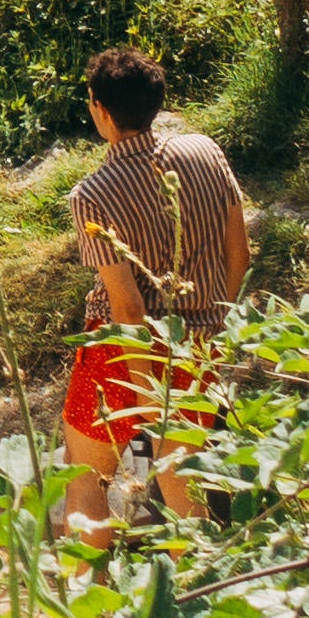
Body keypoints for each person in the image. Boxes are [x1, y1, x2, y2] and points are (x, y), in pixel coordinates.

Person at [60, 39, 252, 539]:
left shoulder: (93, 194)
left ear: (100, 110)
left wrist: (146, 392)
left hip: (123, 355)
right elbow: (241, 254)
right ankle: (204, 597)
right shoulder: (204, 150)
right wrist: (214, 326)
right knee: (184, 482)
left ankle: (85, 610)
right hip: (203, 338)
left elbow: (126, 304)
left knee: (87, 479)